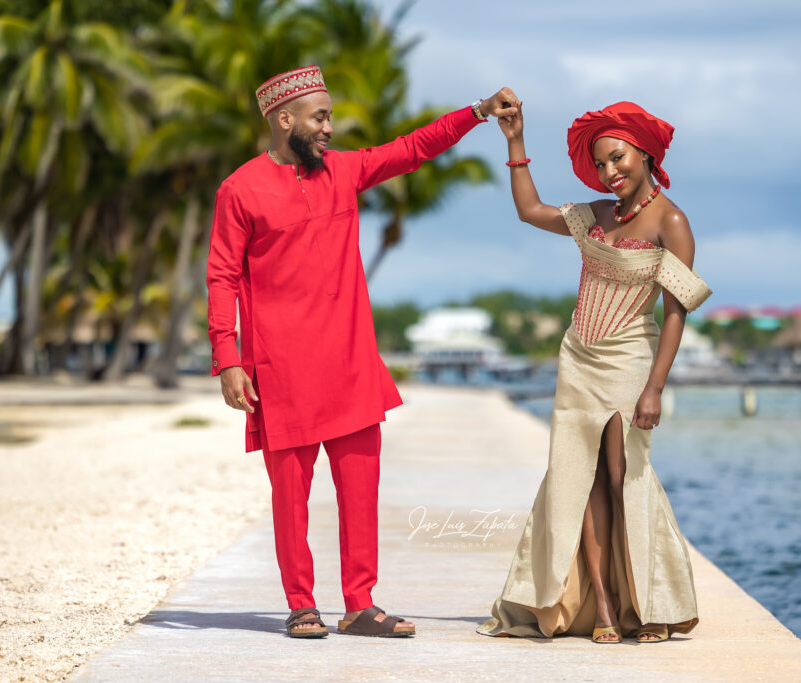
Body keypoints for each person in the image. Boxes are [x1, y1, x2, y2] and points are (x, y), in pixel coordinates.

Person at [207, 64, 518, 638]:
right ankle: (302, 604)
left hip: (350, 364)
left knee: (360, 493)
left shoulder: (344, 171)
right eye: (320, 117)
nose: (329, 127)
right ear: (285, 119)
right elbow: (222, 276)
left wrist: (476, 112)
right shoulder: (240, 189)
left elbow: (412, 149)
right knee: (291, 502)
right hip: (282, 369)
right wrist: (228, 358)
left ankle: (360, 603)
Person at [477, 101, 711, 644]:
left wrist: (655, 386)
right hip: (578, 356)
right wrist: (515, 140)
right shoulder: (596, 215)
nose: (610, 172)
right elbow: (530, 210)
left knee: (621, 472)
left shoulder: (672, 221)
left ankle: (648, 602)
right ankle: (602, 601)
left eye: (618, 158)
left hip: (631, 357)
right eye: (601, 164)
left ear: (643, 153)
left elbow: (675, 311)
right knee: (576, 477)